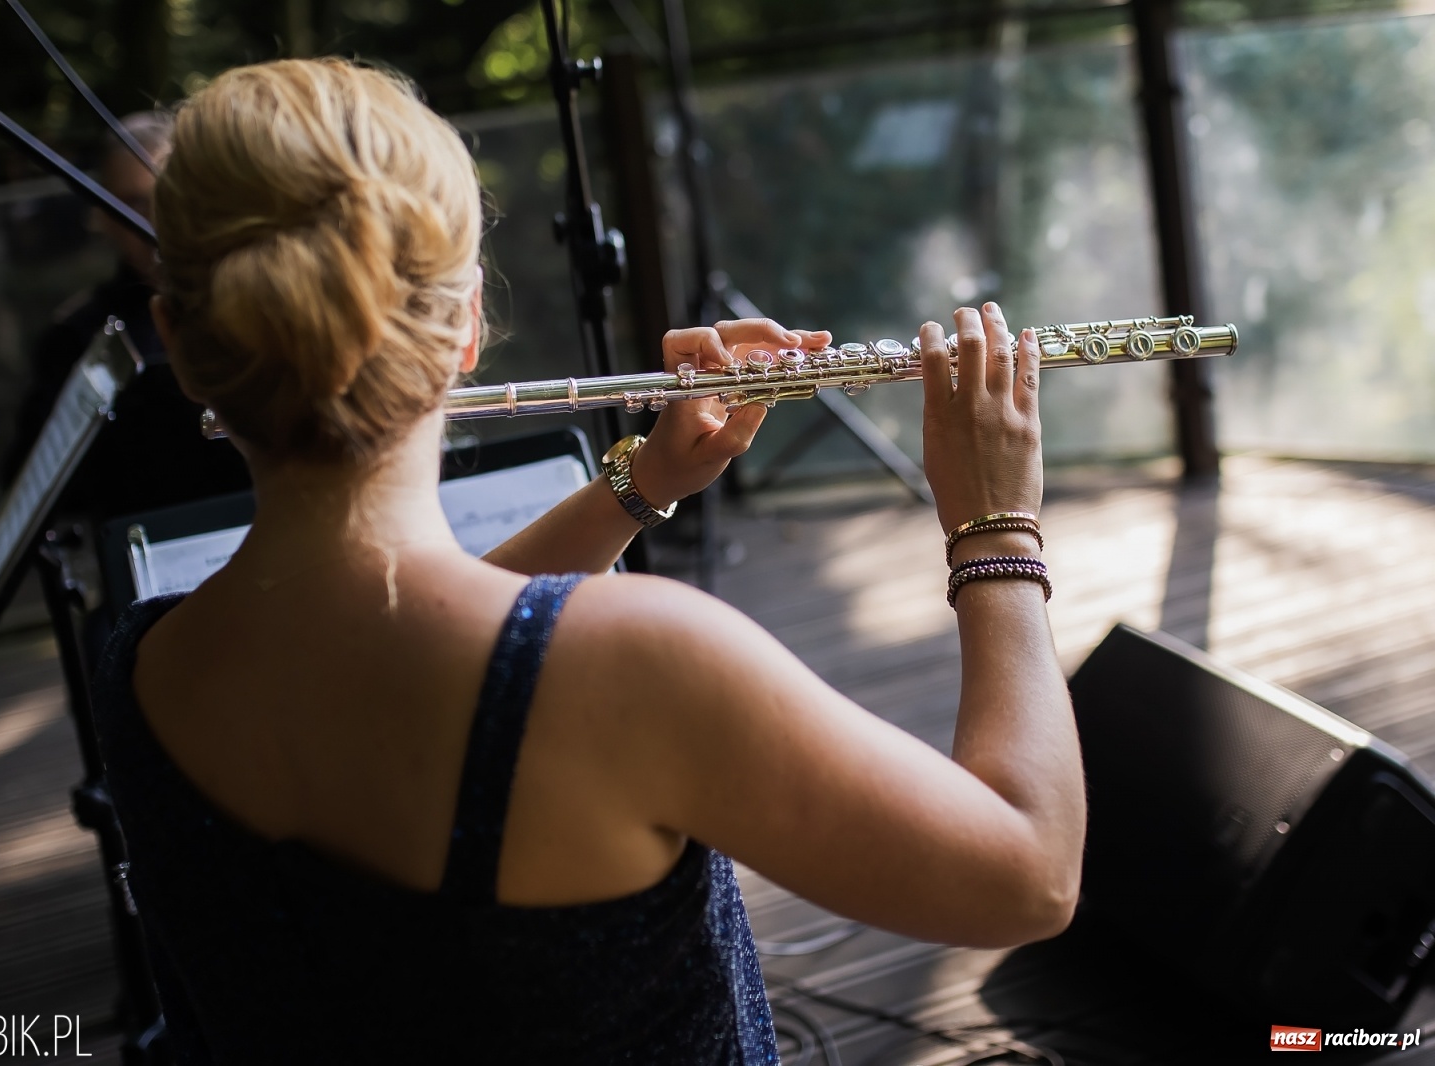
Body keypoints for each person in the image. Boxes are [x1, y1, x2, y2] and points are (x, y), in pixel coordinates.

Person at [91, 58, 1085, 1065]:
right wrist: (994, 524)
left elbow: (444, 648)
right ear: (469, 322)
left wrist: (639, 479)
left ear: (177, 333)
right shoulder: (644, 664)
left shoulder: (142, 666)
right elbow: (1030, 873)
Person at [0, 111, 250, 521]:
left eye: (167, 197)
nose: (152, 220)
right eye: (133, 203)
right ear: (102, 215)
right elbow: (30, 485)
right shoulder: (78, 336)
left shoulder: (257, 306)